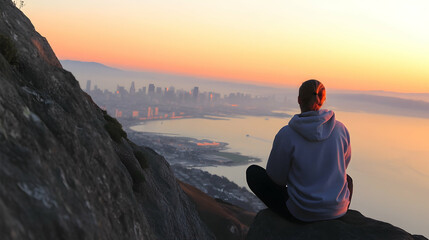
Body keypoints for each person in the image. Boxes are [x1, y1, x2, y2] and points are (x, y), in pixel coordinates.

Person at [246, 79, 353, 222]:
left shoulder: (287, 134)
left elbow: (276, 179)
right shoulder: (340, 129)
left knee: (253, 173)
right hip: (337, 210)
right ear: (323, 100)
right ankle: (333, 208)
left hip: (301, 212)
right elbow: (343, 165)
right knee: (348, 180)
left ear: (299, 100)